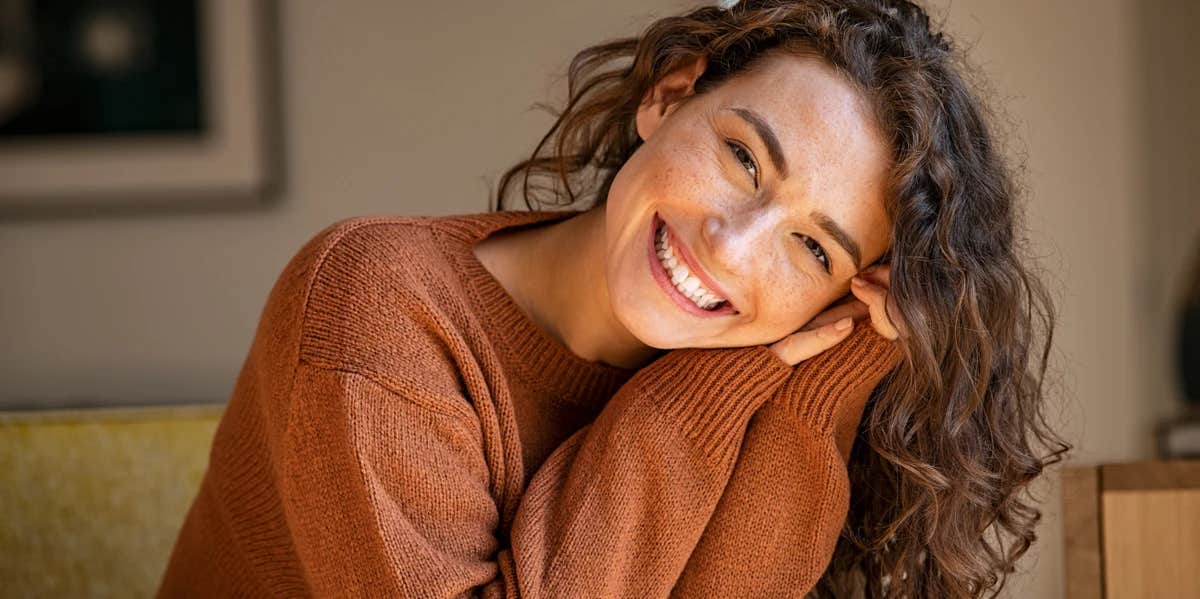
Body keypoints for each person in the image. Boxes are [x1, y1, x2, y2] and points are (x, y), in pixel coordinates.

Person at [158, 0, 1070, 597]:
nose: (731, 243)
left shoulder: (770, 378)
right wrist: (687, 403)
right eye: (742, 157)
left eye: (810, 245)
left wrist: (825, 379)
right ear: (669, 98)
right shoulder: (379, 302)